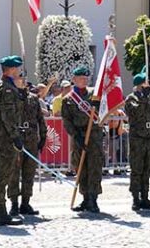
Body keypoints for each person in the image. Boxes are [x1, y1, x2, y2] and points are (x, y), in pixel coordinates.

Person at [0, 56, 25, 226]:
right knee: (3, 173)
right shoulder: (7, 88)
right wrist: (15, 136)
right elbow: (8, 115)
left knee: (2, 172)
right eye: (17, 69)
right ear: (10, 69)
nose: (19, 71)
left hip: (3, 133)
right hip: (5, 135)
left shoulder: (2, 86)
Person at [62, 66, 103, 213]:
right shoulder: (68, 99)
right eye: (80, 78)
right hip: (79, 134)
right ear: (74, 80)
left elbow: (102, 112)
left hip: (94, 135)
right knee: (81, 168)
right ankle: (85, 198)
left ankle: (93, 198)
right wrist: (76, 135)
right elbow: (66, 120)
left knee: (95, 167)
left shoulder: (95, 95)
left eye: (86, 78)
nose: (83, 81)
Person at [8, 76, 47, 217]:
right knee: (14, 173)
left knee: (29, 172)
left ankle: (25, 202)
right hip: (17, 138)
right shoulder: (11, 98)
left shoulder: (33, 99)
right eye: (20, 80)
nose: (24, 83)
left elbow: (40, 119)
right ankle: (13, 203)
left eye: (25, 81)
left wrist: (43, 136)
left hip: (31, 139)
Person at [123, 69, 150, 211]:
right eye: (145, 82)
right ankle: (135, 198)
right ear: (139, 85)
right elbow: (136, 112)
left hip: (149, 138)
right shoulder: (131, 98)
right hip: (137, 139)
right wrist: (144, 98)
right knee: (137, 169)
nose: (147, 85)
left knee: (147, 169)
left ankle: (145, 197)